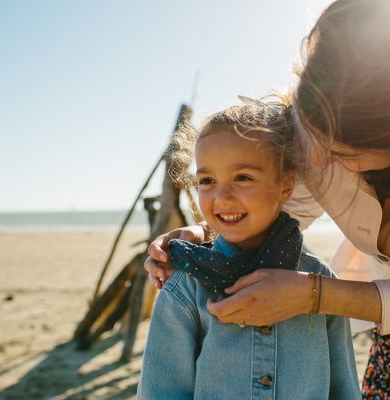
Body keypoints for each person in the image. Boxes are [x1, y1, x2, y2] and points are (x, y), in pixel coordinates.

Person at [146, 0, 390, 398]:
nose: (313, 163)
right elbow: (279, 199)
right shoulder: (185, 292)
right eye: (312, 132)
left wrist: (316, 294)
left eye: (342, 154)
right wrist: (205, 231)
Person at [137, 100, 361, 399]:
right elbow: (161, 392)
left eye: (242, 177)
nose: (222, 196)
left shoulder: (320, 281)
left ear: (285, 185)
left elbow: (344, 388)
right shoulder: (184, 289)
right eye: (207, 180)